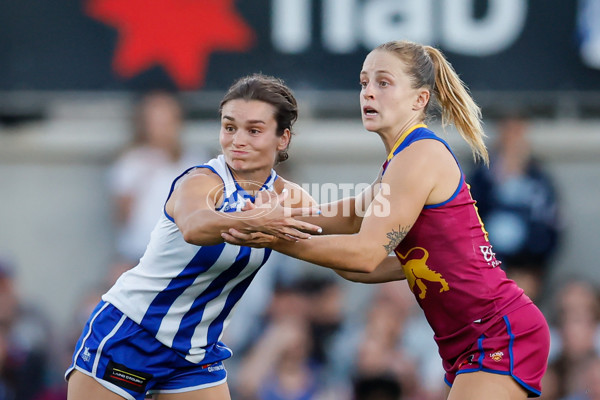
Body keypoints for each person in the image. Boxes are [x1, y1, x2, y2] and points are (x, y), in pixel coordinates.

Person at [222, 40, 551, 399]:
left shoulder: (419, 155)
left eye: (383, 82)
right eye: (364, 82)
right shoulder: (399, 163)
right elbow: (350, 221)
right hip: (474, 338)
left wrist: (271, 234)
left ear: (420, 99)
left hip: (498, 332)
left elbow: (363, 255)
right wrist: (279, 216)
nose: (368, 93)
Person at [65, 74, 321, 400]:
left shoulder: (285, 196)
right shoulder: (201, 178)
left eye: (253, 130)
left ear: (282, 139)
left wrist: (396, 206)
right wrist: (256, 220)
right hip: (132, 337)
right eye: (229, 127)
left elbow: (354, 238)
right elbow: (195, 225)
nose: (237, 140)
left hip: (194, 352)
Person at [108, 90, 209, 264]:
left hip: (184, 254)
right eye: (156, 122)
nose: (162, 128)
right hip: (138, 252)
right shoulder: (132, 161)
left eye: (167, 120)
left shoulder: (195, 160)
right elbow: (122, 215)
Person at [468, 115, 561, 302]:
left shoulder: (540, 181)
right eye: (508, 135)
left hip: (527, 266)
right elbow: (467, 218)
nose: (513, 143)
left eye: (518, 136)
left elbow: (552, 225)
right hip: (485, 265)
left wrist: (532, 266)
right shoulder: (480, 179)